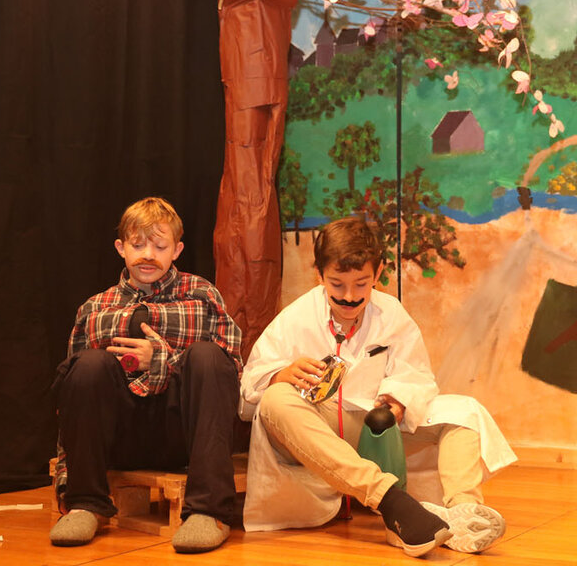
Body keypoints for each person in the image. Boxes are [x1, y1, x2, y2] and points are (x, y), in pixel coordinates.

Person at [240, 216, 516, 558]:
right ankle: (391, 500)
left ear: (378, 272)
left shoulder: (392, 314)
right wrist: (280, 375)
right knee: (276, 400)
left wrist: (397, 401)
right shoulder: (295, 318)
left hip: (375, 429)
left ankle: (463, 514)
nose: (350, 297)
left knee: (464, 410)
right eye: (337, 285)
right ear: (319, 275)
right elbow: (248, 390)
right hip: (317, 430)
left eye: (361, 284)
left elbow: (417, 376)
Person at [50, 197, 242, 554]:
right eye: (137, 245)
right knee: (87, 365)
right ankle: (86, 504)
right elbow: (72, 402)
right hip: (121, 437)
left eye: (160, 246)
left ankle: (209, 511)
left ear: (177, 250)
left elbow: (230, 374)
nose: (148, 255)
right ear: (120, 248)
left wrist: (160, 360)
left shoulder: (202, 296)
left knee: (208, 356)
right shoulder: (94, 308)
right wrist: (65, 480)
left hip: (183, 436)